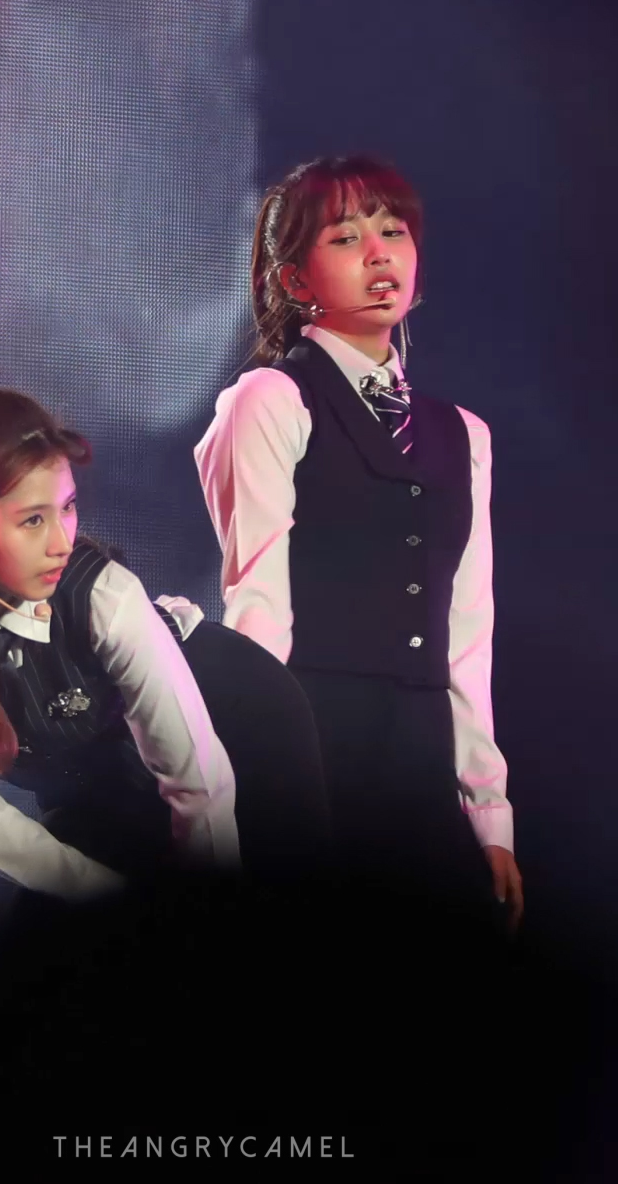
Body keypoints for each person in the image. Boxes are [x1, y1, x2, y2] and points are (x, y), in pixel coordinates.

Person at [0, 382, 322, 899]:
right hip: (94, 783)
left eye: (68, 506)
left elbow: (198, 784)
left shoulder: (105, 594)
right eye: (33, 520)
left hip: (228, 726)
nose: (63, 542)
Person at [194, 154, 520, 926]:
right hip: (313, 747)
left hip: (421, 766)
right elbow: (257, 606)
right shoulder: (271, 399)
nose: (379, 254)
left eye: (393, 231)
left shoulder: (464, 434)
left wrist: (489, 816)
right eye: (346, 238)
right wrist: (258, 782)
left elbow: (466, 635)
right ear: (294, 279)